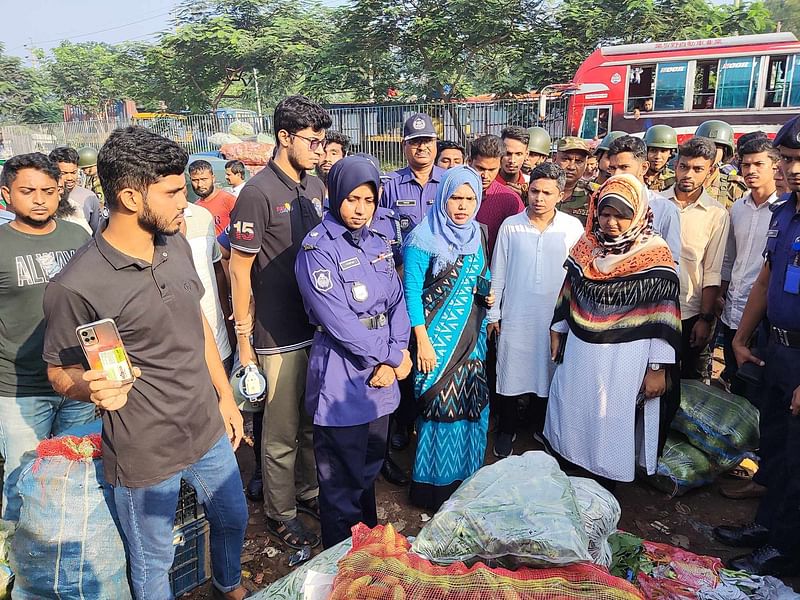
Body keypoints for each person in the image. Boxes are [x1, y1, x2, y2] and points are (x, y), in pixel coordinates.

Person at [41, 126, 248, 600]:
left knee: (233, 517)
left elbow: (195, 322)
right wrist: (88, 387)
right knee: (155, 560)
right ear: (132, 196)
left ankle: (228, 585)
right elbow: (57, 370)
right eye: (173, 191)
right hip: (144, 450)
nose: (185, 200)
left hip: (206, 428)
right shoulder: (76, 285)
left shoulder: (172, 242)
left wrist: (225, 398)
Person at [295, 156, 412, 548]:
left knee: (368, 472)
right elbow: (338, 320)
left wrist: (397, 350)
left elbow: (396, 303)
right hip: (343, 379)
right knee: (341, 484)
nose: (360, 209)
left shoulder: (378, 243)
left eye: (368, 199)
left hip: (380, 382)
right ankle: (340, 563)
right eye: (351, 199)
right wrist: (391, 358)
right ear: (334, 196)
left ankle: (370, 554)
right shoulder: (318, 250)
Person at [228, 95, 328, 550]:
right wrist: (244, 341)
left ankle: (306, 491)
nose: (318, 149)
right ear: (284, 137)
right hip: (274, 332)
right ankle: (279, 510)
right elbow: (238, 269)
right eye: (311, 140)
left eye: (323, 141)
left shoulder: (314, 188)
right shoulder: (257, 193)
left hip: (315, 327)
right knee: (281, 431)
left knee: (309, 422)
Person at [545, 174, 681, 489]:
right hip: (580, 349)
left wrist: (657, 368)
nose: (611, 222)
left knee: (611, 419)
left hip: (626, 357)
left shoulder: (655, 254)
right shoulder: (588, 246)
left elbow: (663, 316)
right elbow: (569, 293)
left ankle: (606, 486)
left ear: (638, 213)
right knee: (574, 409)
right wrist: (557, 329)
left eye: (621, 215)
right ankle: (573, 475)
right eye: (606, 213)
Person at [712, 115, 800, 576]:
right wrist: (742, 338)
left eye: (797, 159)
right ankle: (770, 527)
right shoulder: (785, 214)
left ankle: (787, 550)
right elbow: (766, 279)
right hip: (777, 349)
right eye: (788, 159)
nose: (794, 168)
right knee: (778, 446)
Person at [0, 153, 94, 522]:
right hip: (20, 388)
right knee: (22, 481)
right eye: (28, 191)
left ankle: (68, 555)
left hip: (77, 381)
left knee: (75, 476)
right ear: (7, 194)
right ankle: (16, 564)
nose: (39, 199)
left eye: (48, 191)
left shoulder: (78, 236)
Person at [402, 166, 493, 510]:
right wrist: (422, 340)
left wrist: (487, 295)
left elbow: (481, 276)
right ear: (443, 197)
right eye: (456, 197)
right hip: (436, 340)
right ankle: (434, 488)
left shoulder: (478, 234)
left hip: (473, 337)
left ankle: (467, 482)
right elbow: (411, 292)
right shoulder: (423, 238)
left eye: (470, 198)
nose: (462, 206)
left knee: (471, 404)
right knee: (440, 406)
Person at [488, 163, 583, 458]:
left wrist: (569, 319)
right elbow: (498, 271)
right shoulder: (511, 225)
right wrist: (494, 315)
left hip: (554, 319)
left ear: (560, 195)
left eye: (546, 193)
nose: (539, 198)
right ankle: (507, 429)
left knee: (549, 373)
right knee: (510, 372)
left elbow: (578, 279)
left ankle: (542, 429)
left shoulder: (572, 228)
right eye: (534, 191)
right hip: (516, 315)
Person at [663, 137, 730, 380]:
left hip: (690, 312)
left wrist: (705, 318)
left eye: (697, 169)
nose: (688, 174)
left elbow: (712, 269)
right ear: (676, 165)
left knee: (690, 384)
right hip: (654, 309)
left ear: (710, 172)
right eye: (684, 166)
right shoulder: (655, 203)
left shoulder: (716, 214)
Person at [718, 136, 779, 397]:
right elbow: (730, 258)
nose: (751, 170)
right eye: (745, 165)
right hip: (732, 311)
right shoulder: (737, 210)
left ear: (775, 166)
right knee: (735, 390)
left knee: (759, 394)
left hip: (764, 318)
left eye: (758, 164)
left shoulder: (784, 212)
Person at [605, 135, 682, 266]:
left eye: (624, 167)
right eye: (612, 168)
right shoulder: (600, 203)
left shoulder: (664, 209)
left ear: (644, 168)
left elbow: (672, 260)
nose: (616, 174)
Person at [181, 202, 234, 373]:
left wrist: (228, 320)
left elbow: (217, 268)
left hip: (219, 342)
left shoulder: (203, 216)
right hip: (183, 359)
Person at [380, 113, 444, 238]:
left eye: (427, 141)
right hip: (400, 256)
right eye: (415, 142)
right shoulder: (388, 185)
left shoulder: (449, 181)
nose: (422, 147)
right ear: (404, 145)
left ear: (435, 143)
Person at [468, 134, 525, 258]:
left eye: (492, 169)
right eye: (480, 168)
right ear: (469, 162)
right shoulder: (453, 193)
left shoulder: (510, 200)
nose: (485, 175)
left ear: (499, 166)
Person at [48, 146, 102, 233]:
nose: (70, 178)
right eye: (64, 173)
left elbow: (95, 231)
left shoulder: (90, 197)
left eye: (73, 172)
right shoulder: (46, 197)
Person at [695, 120, 746, 208]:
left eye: (716, 147)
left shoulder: (734, 188)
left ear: (725, 152)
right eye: (705, 147)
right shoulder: (680, 184)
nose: (710, 152)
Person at [189, 159, 237, 236]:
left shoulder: (229, 200)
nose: (200, 184)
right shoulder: (196, 207)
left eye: (204, 179)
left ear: (213, 178)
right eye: (195, 180)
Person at [555, 137, 592, 223]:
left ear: (586, 164)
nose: (571, 167)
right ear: (554, 159)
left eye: (578, 161)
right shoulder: (537, 189)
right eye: (566, 159)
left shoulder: (594, 195)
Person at [495, 126, 530, 201]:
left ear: (526, 155)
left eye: (518, 154)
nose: (512, 160)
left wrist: (525, 201)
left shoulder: (532, 185)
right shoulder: (487, 182)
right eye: (507, 153)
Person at [643, 125, 678, 192]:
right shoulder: (636, 176)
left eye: (663, 151)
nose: (658, 156)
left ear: (671, 153)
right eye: (653, 150)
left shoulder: (674, 180)